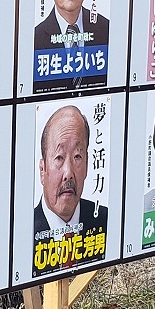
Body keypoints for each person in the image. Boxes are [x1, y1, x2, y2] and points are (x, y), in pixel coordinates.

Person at [32, 105, 107, 245]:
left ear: (87, 164)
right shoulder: (23, 230)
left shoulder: (106, 221)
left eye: (77, 156)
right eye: (59, 157)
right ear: (42, 170)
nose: (68, 173)